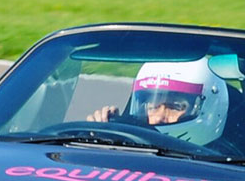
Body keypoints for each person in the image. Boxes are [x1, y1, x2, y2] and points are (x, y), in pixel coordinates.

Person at [86, 59, 230, 147]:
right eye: (152, 106)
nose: (158, 117)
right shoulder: (133, 149)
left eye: (176, 106)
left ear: (210, 107)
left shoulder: (231, 164)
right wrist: (99, 137)